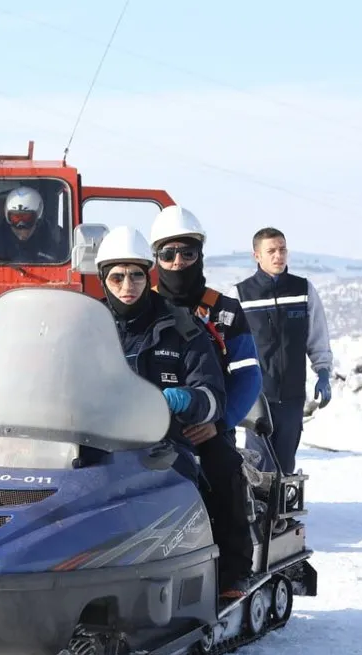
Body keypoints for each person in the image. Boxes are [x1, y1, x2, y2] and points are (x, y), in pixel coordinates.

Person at [95, 227, 243, 598]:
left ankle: (230, 573)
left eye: (136, 275)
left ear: (149, 277)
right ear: (104, 280)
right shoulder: (87, 328)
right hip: (101, 436)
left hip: (171, 436)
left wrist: (187, 401)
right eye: (117, 276)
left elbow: (213, 393)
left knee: (223, 464)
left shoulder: (182, 326)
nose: (127, 284)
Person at [147, 205, 261, 597]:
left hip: (206, 423)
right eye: (168, 253)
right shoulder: (139, 308)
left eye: (187, 253)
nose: (178, 262)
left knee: (224, 469)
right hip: (144, 424)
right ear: (155, 258)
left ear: (200, 255)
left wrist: (220, 422)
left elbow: (249, 375)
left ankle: (233, 571)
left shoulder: (225, 312)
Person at [228, 226, 334, 476]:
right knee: (260, 464)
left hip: (292, 395)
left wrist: (324, 373)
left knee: (285, 464)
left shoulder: (303, 290)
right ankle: (259, 514)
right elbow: (228, 345)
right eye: (271, 251)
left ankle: (281, 515)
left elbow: (317, 336)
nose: (279, 256)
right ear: (257, 256)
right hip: (256, 395)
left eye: (282, 249)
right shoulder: (241, 295)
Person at [0, 186, 66, 263]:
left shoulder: (55, 238)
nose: (21, 225)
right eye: (16, 218)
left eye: (27, 218)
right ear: (8, 217)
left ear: (38, 216)